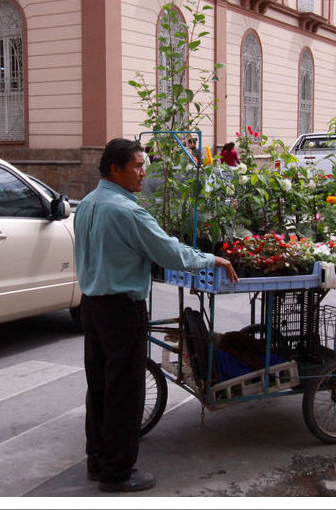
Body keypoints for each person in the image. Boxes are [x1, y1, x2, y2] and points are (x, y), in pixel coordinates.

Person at [73, 138, 238, 493]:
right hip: (120, 309)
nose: (143, 172)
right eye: (136, 166)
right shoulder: (128, 211)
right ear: (115, 169)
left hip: (92, 305)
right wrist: (214, 259)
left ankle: (98, 459)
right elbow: (169, 253)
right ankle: (117, 472)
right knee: (124, 390)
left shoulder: (87, 204)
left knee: (100, 385)